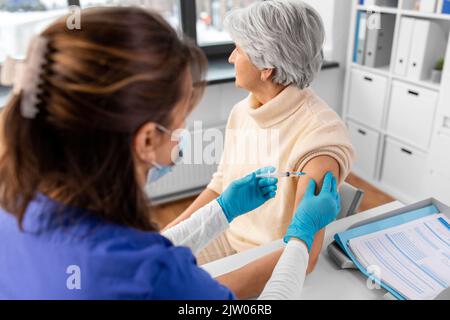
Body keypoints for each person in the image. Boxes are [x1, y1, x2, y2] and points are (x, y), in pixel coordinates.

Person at [0, 6, 341, 300]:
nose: (183, 134)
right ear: (147, 140)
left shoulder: (14, 203)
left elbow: (139, 254)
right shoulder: (158, 277)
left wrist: (223, 209)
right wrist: (301, 235)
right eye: (180, 118)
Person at [166, 0, 354, 295]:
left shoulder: (319, 136)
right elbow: (219, 187)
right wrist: (159, 241)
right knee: (153, 266)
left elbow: (306, 257)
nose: (230, 58)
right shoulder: (244, 110)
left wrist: (203, 295)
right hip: (225, 234)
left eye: (238, 49)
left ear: (266, 67)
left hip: (268, 260)